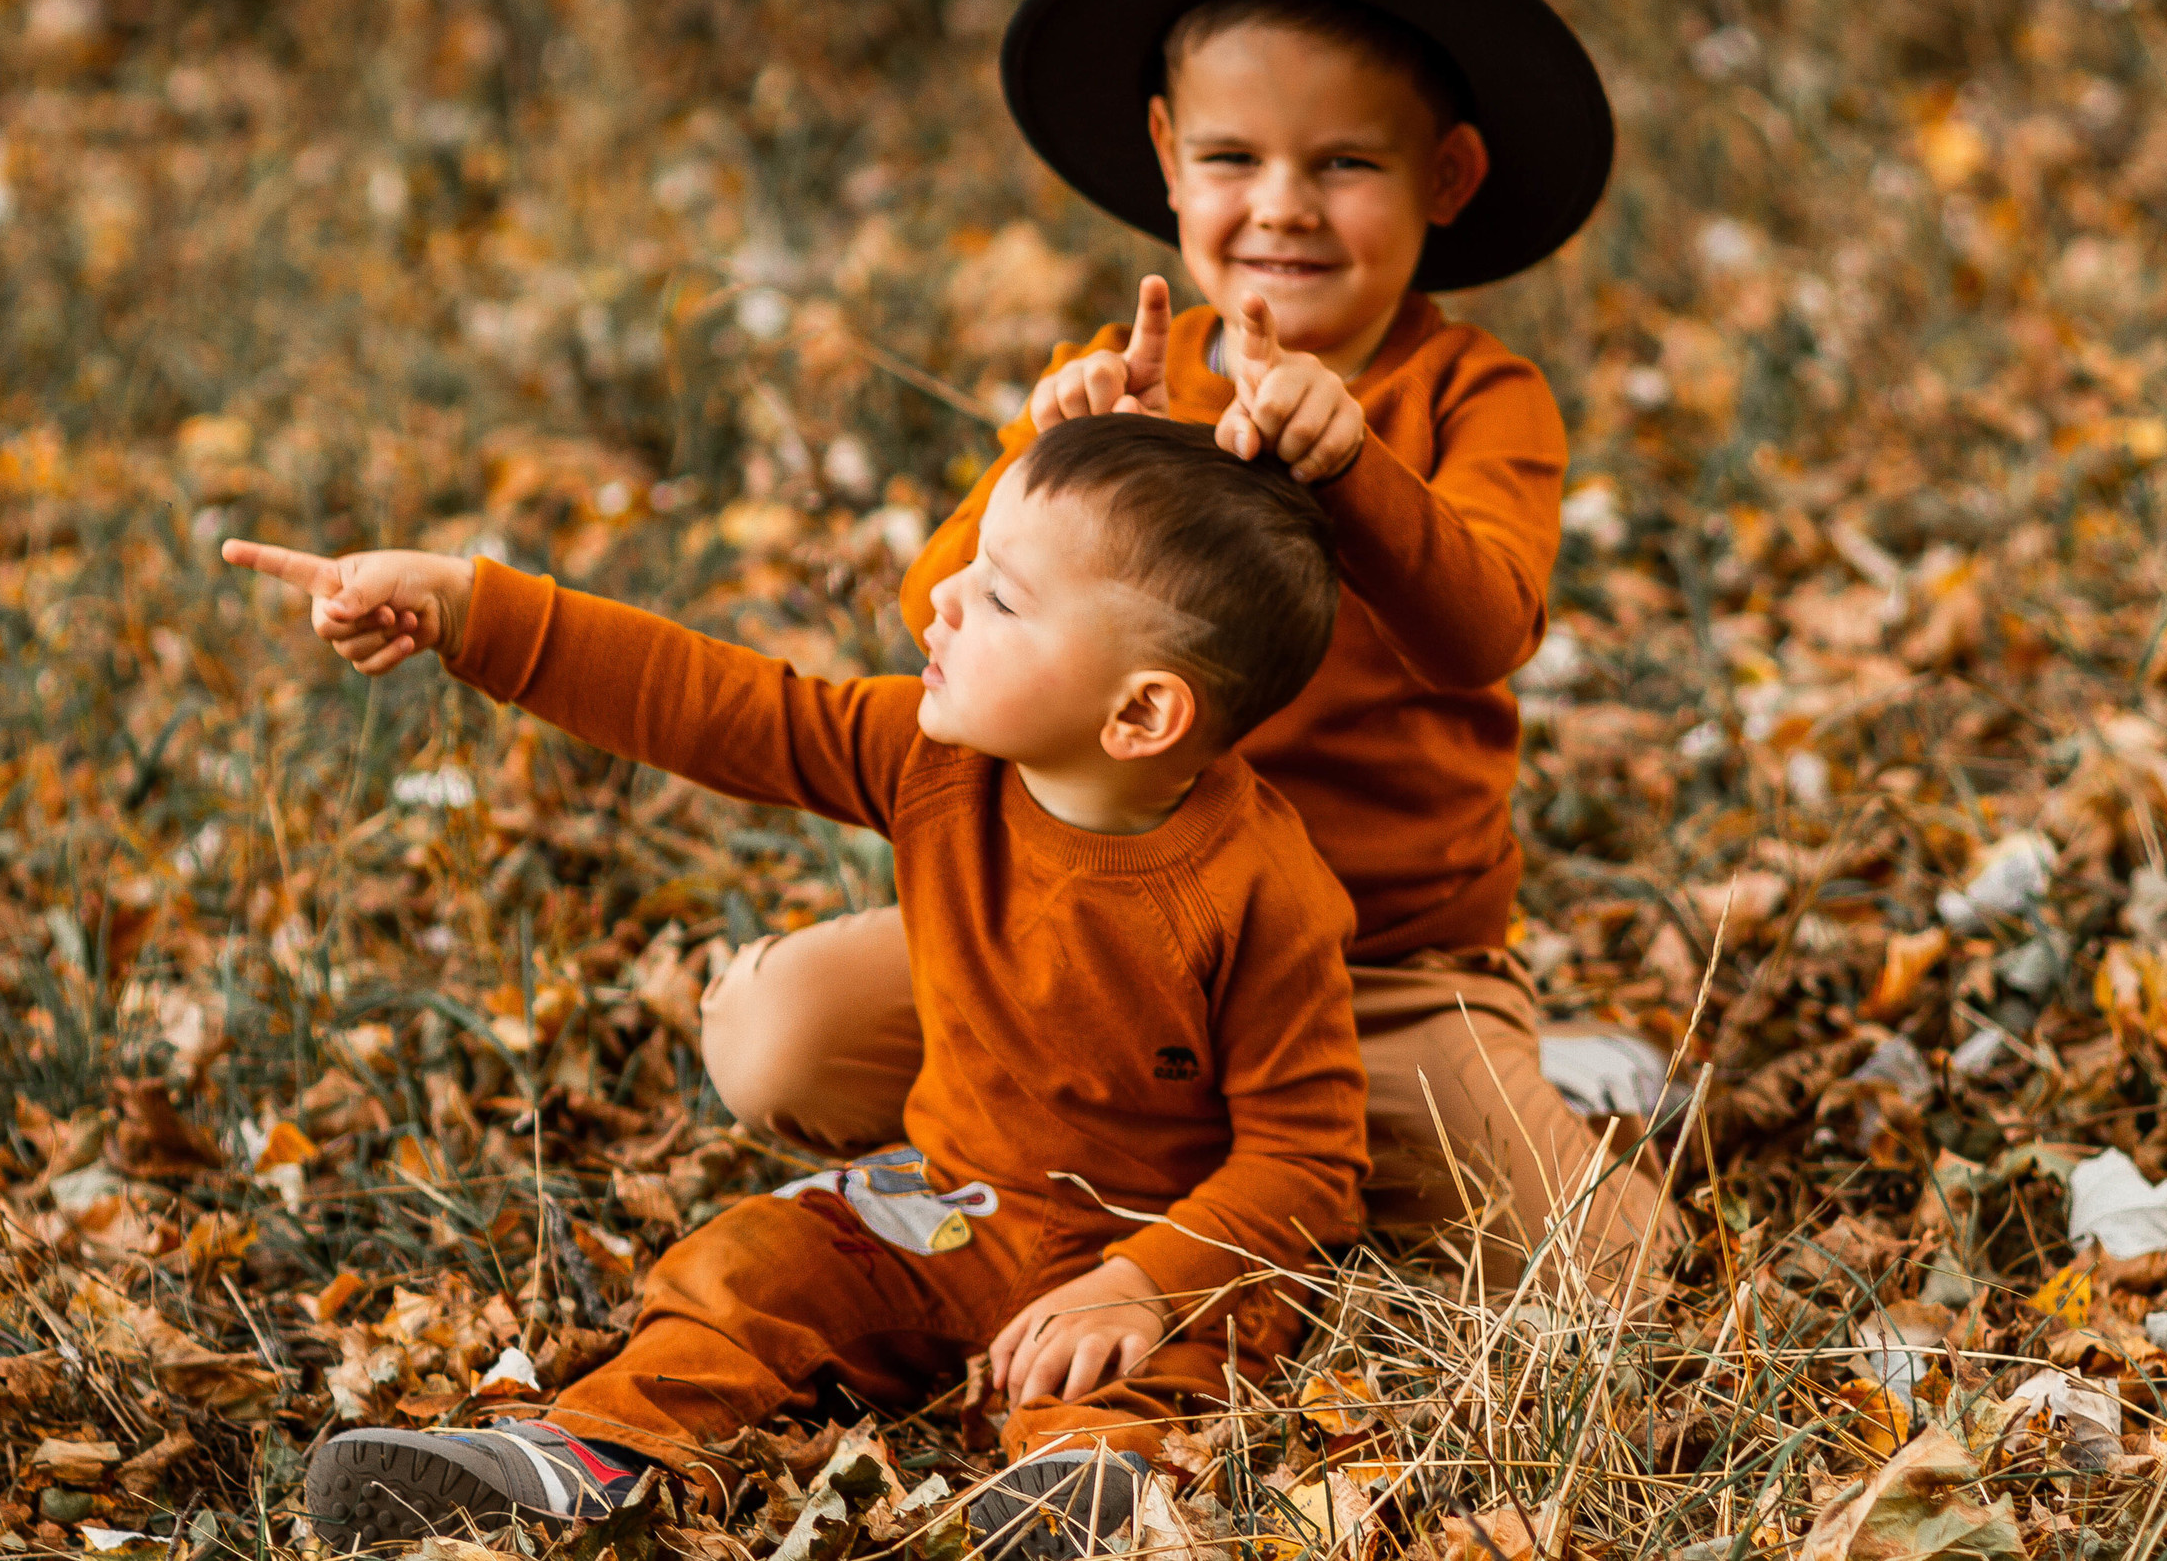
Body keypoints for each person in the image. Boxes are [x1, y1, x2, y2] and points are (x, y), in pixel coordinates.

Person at [702, 0, 1678, 1289]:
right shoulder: (1119, 385)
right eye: (1231, 160)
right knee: (777, 1041)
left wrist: (1352, 468)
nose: (1282, 207)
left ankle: (1449, 1102)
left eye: (1344, 164)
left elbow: (1482, 629)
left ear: (1447, 177)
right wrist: (1049, 451)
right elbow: (937, 616)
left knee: (1610, 1267)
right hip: (1085, 929)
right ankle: (1087, 1148)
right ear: (1166, 156)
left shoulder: (1476, 395)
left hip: (1372, 972)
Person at [225, 417, 1368, 1553]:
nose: (942, 598)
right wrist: (470, 607)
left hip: (1157, 1244)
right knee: (750, 1266)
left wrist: (1145, 1282)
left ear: (1141, 713)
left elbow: (1307, 1159)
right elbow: (712, 704)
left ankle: (1084, 1494)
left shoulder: (1259, 891)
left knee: (1153, 1367)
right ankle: (590, 1453)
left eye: (1000, 598)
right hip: (953, 1201)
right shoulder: (935, 760)